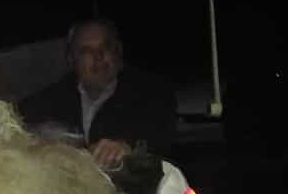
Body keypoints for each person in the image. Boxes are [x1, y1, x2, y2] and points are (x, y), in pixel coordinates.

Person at [17, 18, 178, 167]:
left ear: (118, 50)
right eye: (87, 51)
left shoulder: (150, 91)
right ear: (71, 59)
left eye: (105, 47)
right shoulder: (56, 95)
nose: (98, 57)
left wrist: (127, 145)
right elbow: (18, 116)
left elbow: (159, 129)